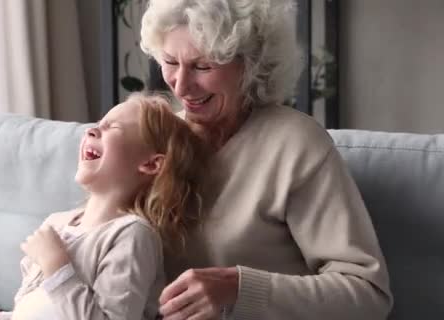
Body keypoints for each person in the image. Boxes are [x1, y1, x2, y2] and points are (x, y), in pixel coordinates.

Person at [139, 0, 393, 319]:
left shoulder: (295, 144)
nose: (181, 85)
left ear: (252, 65)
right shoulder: (153, 138)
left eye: (203, 66)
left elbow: (368, 295)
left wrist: (240, 289)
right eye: (170, 62)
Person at [0, 93, 208, 320]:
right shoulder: (56, 224)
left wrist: (57, 266)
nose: (92, 131)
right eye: (97, 125)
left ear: (151, 165)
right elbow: (35, 311)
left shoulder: (131, 235)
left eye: (112, 127)